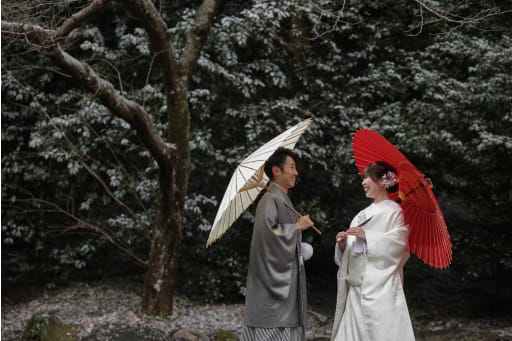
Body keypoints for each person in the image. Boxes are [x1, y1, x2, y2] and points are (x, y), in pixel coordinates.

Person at [331, 161, 415, 341]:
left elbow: (397, 245)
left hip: (379, 290)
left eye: (367, 177)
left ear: (381, 181)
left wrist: (368, 236)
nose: (363, 182)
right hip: (355, 289)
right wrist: (343, 245)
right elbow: (353, 251)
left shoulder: (394, 211)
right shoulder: (362, 213)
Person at [241, 147, 315, 341]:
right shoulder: (269, 199)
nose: (296, 172)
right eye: (291, 167)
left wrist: (297, 239)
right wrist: (297, 227)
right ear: (276, 170)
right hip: (272, 287)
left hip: (286, 284)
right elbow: (268, 235)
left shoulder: (281, 199)